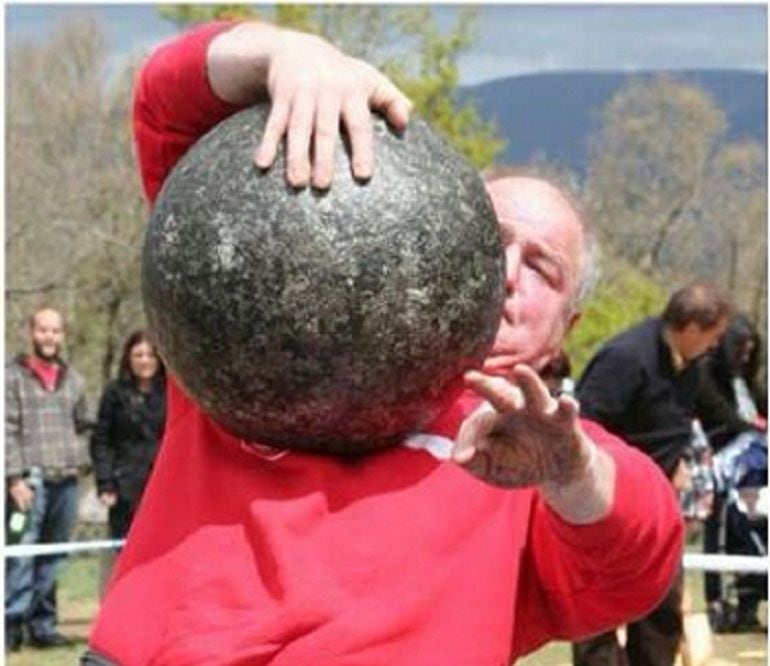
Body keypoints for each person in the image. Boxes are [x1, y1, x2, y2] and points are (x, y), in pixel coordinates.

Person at [83, 21, 683, 665]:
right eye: (495, 240)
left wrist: (572, 474)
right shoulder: (247, 316)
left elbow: (639, 562)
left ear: (568, 324)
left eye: (542, 268)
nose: (507, 275)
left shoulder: (535, 452)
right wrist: (286, 54)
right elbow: (168, 106)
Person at [572, 282, 732, 666]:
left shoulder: (692, 365)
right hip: (608, 503)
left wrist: (676, 462)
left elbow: (676, 422)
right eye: (713, 336)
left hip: (659, 503)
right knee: (598, 613)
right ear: (692, 327)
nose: (715, 346)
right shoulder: (625, 359)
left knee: (661, 609)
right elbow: (584, 426)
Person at [5, 306, 91, 651]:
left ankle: (44, 625)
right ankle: (12, 624)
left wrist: (81, 463)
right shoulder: (11, 376)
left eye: (55, 331)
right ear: (31, 332)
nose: (49, 337)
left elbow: (85, 427)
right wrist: (13, 479)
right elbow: (5, 430)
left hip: (66, 483)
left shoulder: (75, 380)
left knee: (54, 557)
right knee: (21, 554)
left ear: (63, 336)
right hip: (28, 485)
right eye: (43, 330)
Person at [695, 313, 767, 632]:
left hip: (753, 474)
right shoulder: (705, 375)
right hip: (721, 467)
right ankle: (716, 600)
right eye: (741, 351)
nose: (745, 358)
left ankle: (751, 601)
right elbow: (722, 415)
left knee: (754, 530)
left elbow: (761, 406)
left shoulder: (747, 382)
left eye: (751, 352)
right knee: (719, 532)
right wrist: (755, 428)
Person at [90, 330, 166, 540]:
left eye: (150, 355)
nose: (144, 361)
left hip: (163, 483)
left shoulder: (172, 393)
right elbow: (101, 441)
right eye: (138, 355)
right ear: (128, 358)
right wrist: (105, 483)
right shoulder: (114, 393)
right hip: (125, 488)